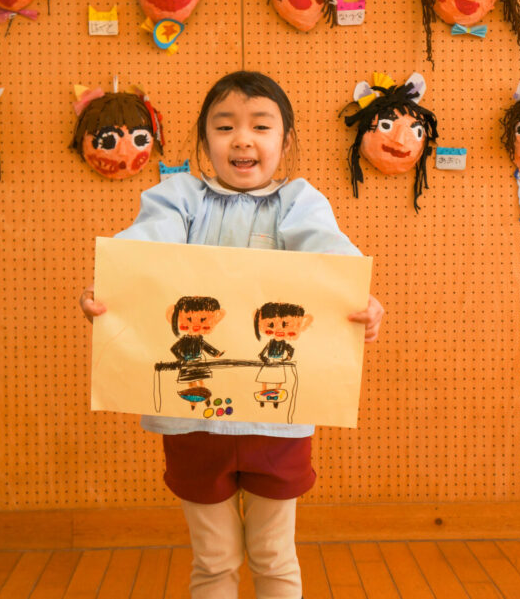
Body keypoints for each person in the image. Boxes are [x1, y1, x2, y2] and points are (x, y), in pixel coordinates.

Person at [80, 70, 383, 599]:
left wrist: (361, 303)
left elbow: (332, 257)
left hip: (278, 422)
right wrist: (110, 290)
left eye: (260, 126)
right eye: (224, 127)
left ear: (285, 141)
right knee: (214, 559)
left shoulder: (299, 202)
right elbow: (144, 248)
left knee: (274, 556)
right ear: (205, 141)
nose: (242, 139)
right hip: (192, 420)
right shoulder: (179, 198)